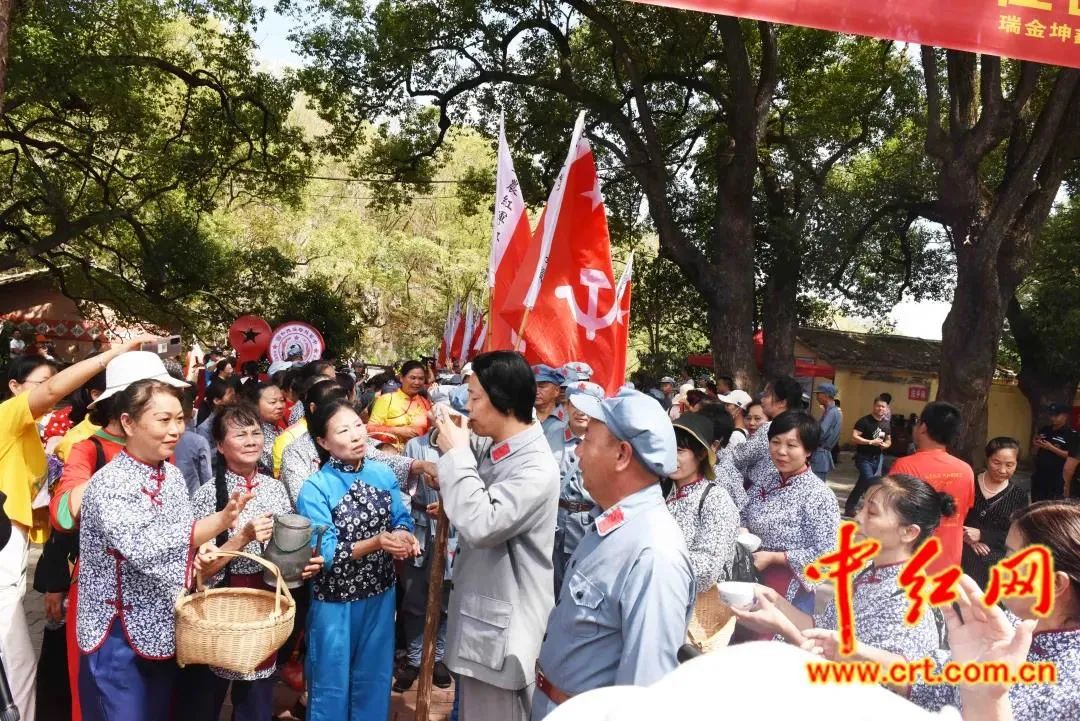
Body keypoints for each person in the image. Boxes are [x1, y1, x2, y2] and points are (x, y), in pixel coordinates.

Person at [76, 379, 249, 721]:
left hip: (161, 624)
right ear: (128, 422)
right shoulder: (110, 483)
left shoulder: (170, 475)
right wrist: (219, 522)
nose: (175, 430)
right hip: (117, 633)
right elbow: (145, 546)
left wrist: (201, 551)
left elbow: (182, 534)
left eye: (180, 419)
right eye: (163, 420)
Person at [0, 339, 151, 721]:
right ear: (15, 388)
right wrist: (110, 356)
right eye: (42, 383)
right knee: (16, 662)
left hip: (17, 543)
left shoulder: (28, 430)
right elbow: (65, 515)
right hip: (7, 547)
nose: (55, 390)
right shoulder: (11, 418)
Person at [528, 387, 694, 721]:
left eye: (588, 440)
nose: (578, 452)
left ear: (621, 455)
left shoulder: (654, 554)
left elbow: (644, 693)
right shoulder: (610, 525)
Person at [429, 350, 560, 721]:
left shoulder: (535, 467)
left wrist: (456, 457)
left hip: (505, 636)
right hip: (485, 625)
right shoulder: (503, 446)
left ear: (503, 401)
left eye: (474, 398)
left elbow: (482, 523)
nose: (468, 408)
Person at [877, 501, 1080, 721]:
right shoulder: (1010, 625)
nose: (1000, 567)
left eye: (1010, 557)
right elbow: (934, 684)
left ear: (1056, 584)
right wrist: (856, 652)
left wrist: (985, 698)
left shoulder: (1071, 687)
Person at [188, 402, 318, 721]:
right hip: (220, 605)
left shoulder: (275, 488)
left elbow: (286, 553)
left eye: (256, 433)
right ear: (220, 446)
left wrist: (305, 560)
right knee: (206, 693)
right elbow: (200, 570)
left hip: (264, 602)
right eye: (240, 434)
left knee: (256, 696)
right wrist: (243, 537)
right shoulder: (207, 494)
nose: (251, 441)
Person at [734, 474, 953, 663]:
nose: (857, 518)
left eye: (872, 513)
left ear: (909, 532)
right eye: (862, 507)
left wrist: (783, 627)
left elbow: (864, 684)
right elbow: (823, 628)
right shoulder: (865, 572)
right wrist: (776, 601)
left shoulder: (907, 603)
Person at [295, 398, 419, 721]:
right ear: (323, 442)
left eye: (358, 426)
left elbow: (401, 517)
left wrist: (403, 534)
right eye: (342, 431)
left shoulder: (383, 474)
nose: (355, 435)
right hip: (335, 601)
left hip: (380, 595)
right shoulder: (315, 488)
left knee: (374, 680)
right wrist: (377, 542)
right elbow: (326, 553)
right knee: (330, 684)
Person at [394, 386, 467, 694]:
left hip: (454, 531)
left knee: (447, 599)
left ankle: (438, 657)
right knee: (414, 599)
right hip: (420, 527)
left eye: (451, 415)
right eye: (439, 415)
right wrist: (405, 527)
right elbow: (403, 490)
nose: (445, 421)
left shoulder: (466, 449)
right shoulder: (415, 446)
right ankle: (414, 658)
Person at [739, 411, 840, 613]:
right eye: (775, 442)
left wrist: (777, 558)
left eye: (792, 445)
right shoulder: (766, 481)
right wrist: (743, 529)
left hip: (789, 587)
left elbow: (829, 552)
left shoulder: (818, 495)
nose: (781, 451)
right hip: (751, 574)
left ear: (808, 451)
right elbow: (744, 511)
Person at [890, 401, 974, 574]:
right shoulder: (966, 470)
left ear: (923, 427)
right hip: (948, 562)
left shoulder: (904, 466)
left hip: (910, 564)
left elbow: (890, 514)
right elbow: (963, 511)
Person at [666, 412, 739, 592]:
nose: (670, 456)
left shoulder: (716, 500)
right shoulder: (662, 491)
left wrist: (655, 562)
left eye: (679, 450)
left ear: (701, 454)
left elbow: (708, 568)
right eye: (667, 448)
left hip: (694, 601)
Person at [546, 381, 605, 595]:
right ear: (566, 406)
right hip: (553, 521)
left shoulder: (606, 443)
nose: (581, 412)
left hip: (587, 524)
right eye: (576, 405)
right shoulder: (548, 435)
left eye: (588, 406)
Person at [961, 437, 1029, 588]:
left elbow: (1018, 534)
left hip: (994, 557)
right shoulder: (968, 482)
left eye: (1009, 465)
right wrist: (966, 537)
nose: (1002, 470)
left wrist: (982, 535)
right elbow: (950, 516)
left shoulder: (1019, 496)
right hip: (960, 549)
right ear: (987, 459)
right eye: (996, 463)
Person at [725, 376, 804, 492]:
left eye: (766, 395)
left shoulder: (770, 428)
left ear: (782, 402)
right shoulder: (800, 425)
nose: (762, 399)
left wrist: (717, 451)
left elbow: (738, 457)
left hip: (763, 490)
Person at [844, 396, 893, 517]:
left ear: (886, 408)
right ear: (874, 406)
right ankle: (870, 511)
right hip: (863, 458)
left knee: (862, 484)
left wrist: (886, 445)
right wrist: (870, 442)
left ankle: (849, 508)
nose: (880, 408)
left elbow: (888, 440)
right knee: (871, 483)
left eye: (883, 407)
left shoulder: (886, 424)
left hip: (877, 459)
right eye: (878, 406)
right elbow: (854, 437)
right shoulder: (864, 421)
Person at [366, 360, 433, 446]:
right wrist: (396, 431)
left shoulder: (425, 403)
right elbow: (370, 429)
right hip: (391, 451)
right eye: (413, 378)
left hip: (418, 452)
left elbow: (430, 430)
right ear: (401, 378)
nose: (417, 382)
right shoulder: (386, 399)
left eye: (421, 379)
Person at [1029, 403, 1075, 501]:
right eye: (1051, 415)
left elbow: (1072, 457)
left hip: (1056, 478)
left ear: (1065, 415)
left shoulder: (1071, 434)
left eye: (1056, 415)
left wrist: (1051, 448)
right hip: (1039, 475)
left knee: (1051, 506)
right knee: (1036, 504)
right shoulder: (1045, 429)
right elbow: (1034, 452)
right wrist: (1036, 445)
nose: (1053, 418)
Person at [239, 380, 285, 474]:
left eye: (282, 400)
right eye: (273, 402)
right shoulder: (254, 433)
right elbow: (278, 464)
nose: (280, 406)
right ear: (255, 405)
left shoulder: (279, 429)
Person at [811, 383, 842, 482]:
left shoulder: (831, 413)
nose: (817, 397)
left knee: (815, 485)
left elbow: (821, 433)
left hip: (820, 454)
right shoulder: (832, 411)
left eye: (818, 394)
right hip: (821, 454)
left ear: (826, 395)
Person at [532, 364, 568, 433]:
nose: (536, 391)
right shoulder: (520, 417)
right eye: (532, 386)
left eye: (542, 386)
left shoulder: (569, 419)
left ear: (556, 391)